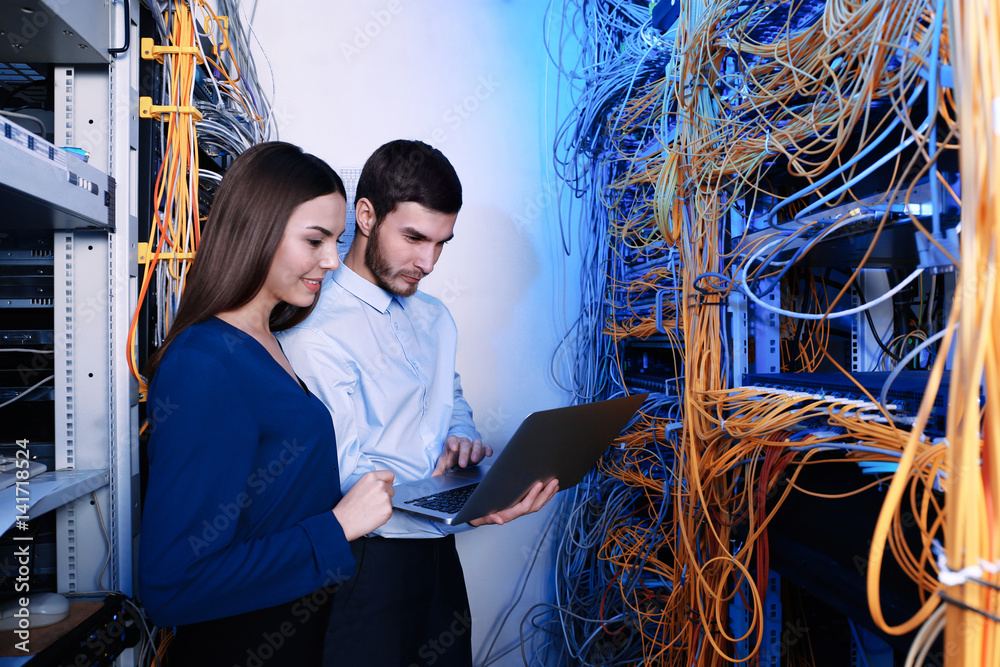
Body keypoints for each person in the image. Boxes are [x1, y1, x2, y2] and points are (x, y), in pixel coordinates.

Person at [278, 139, 560, 666]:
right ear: (365, 216)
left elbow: (449, 396)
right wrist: (466, 509)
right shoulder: (310, 324)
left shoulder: (434, 317)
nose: (427, 262)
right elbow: (342, 477)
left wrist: (462, 439)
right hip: (362, 564)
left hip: (437, 558)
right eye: (413, 238)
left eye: (441, 243)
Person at [138, 141, 395, 666]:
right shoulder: (204, 362)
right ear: (258, 229)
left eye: (337, 240)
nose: (331, 260)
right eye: (315, 240)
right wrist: (338, 526)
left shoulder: (269, 340)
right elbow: (171, 585)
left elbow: (271, 500)